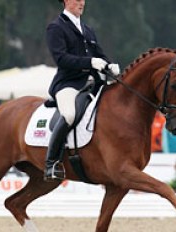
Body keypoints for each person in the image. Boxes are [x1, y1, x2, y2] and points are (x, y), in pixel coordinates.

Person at [44, 0, 120, 181]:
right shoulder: (56, 27)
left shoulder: (87, 29)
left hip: (93, 84)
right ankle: (51, 163)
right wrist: (89, 62)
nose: (82, 2)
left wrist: (110, 65)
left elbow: (99, 54)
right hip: (68, 84)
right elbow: (61, 58)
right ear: (66, 1)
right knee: (69, 115)